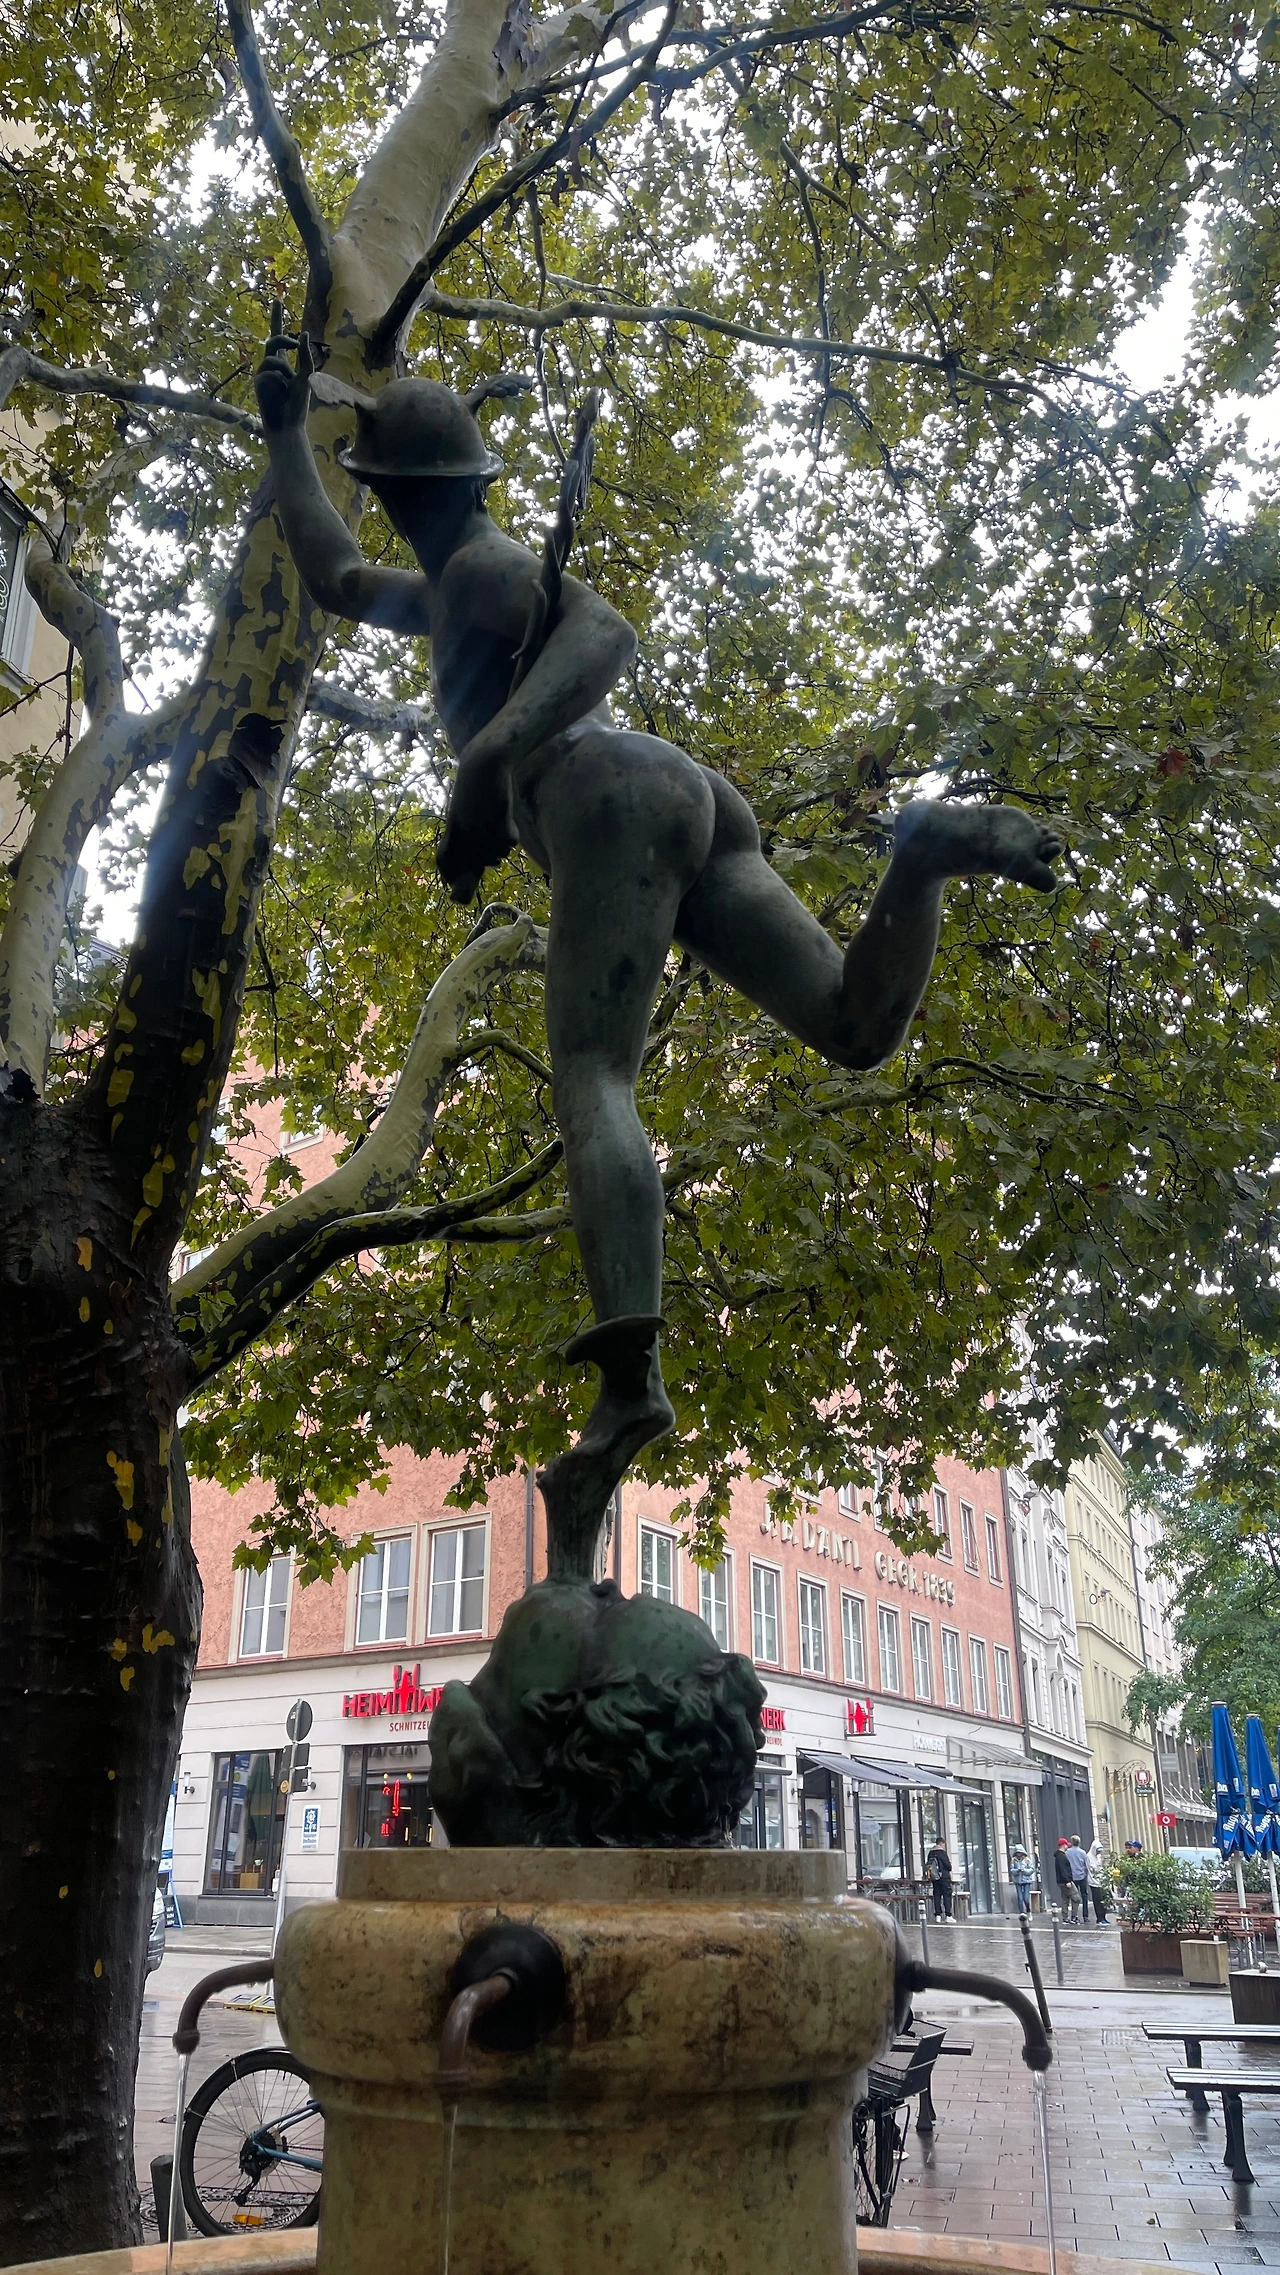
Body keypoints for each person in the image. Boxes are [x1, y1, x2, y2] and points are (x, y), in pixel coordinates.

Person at [253, 343, 1064, 1544]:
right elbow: (330, 576)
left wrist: (487, 760)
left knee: (592, 1076)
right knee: (852, 1027)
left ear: (394, 491)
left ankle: (628, 1372)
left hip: (605, 796)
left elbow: (603, 631)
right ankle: (920, 854)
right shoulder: (444, 586)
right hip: (685, 798)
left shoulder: (479, 568)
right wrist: (282, 433)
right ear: (467, 475)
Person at [1053, 1835, 1081, 1922]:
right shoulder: (1061, 1856)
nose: (1067, 1847)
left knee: (1065, 1898)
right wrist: (1067, 1881)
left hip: (1061, 1881)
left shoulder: (1059, 1856)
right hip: (1065, 1881)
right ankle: (1074, 1916)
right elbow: (1063, 1870)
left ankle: (1065, 1917)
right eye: (1066, 1845)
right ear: (1063, 1845)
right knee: (1076, 1898)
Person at [926, 1838, 955, 1921]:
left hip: (935, 1877)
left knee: (937, 1895)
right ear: (942, 1843)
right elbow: (948, 1866)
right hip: (944, 1877)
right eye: (944, 1844)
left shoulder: (931, 1853)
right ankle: (948, 1915)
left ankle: (937, 1915)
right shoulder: (942, 1853)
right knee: (947, 1895)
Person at [1086, 1836, 1111, 1925]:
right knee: (1097, 1900)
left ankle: (1103, 1917)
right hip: (1094, 1882)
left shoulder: (1098, 1857)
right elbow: (1092, 1869)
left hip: (1101, 1881)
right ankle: (1099, 1918)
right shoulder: (1089, 1857)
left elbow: (1100, 1868)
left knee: (1103, 1900)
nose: (1098, 1853)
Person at [1010, 1841, 1034, 1916]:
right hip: (1018, 1881)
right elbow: (1011, 1870)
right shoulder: (1013, 1860)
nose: (1019, 1854)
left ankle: (1028, 1910)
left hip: (1026, 1881)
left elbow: (1032, 1869)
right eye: (1017, 1853)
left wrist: (1025, 1871)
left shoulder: (1027, 1860)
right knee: (1020, 1898)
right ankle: (1022, 1913)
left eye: (1020, 1853)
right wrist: (1017, 1871)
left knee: (1026, 1898)